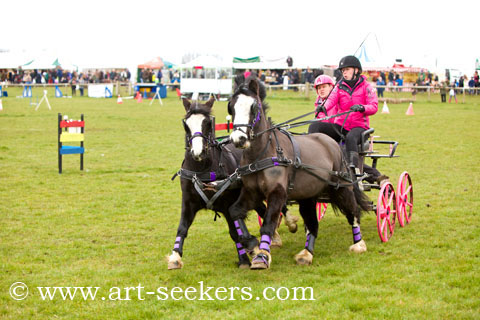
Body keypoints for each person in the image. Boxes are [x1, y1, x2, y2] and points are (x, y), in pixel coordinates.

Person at [308, 55, 386, 184]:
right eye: (343, 70)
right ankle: (311, 158)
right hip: (341, 126)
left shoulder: (367, 87)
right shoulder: (339, 86)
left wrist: (362, 107)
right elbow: (331, 100)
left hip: (359, 127)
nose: (344, 72)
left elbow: (374, 106)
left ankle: (353, 171)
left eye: (347, 69)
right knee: (315, 126)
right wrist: (323, 107)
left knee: (351, 137)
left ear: (356, 70)